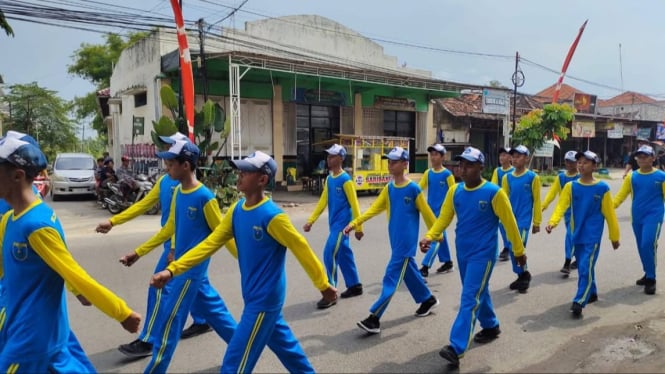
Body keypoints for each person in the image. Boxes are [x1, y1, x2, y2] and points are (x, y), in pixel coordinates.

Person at [151, 150, 337, 374]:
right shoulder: (237, 210)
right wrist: (172, 270)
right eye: (240, 170)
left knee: (233, 365)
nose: (239, 175)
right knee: (289, 351)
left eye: (247, 171)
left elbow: (302, 249)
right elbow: (209, 244)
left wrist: (323, 284)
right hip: (253, 297)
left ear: (262, 180)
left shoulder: (273, 216)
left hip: (263, 301)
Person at [0, 136, 141, 372]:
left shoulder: (36, 225)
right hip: (22, 327)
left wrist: (122, 313)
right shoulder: (9, 219)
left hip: (31, 338)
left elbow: (75, 274)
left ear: (17, 175)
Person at [118, 139, 239, 372]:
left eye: (171, 163)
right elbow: (169, 228)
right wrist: (139, 252)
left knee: (169, 326)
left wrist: (244, 260)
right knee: (217, 314)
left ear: (186, 165)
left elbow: (223, 233)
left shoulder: (205, 198)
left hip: (189, 272)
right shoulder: (178, 194)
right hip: (183, 268)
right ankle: (243, 352)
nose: (167, 168)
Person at [95, 132, 212, 358]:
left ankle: (149, 339)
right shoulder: (166, 181)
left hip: (181, 249)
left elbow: (210, 230)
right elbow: (142, 206)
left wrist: (173, 250)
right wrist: (113, 221)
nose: (166, 154)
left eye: (170, 148)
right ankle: (204, 321)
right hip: (177, 246)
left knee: (158, 289)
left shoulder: (192, 189)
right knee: (203, 294)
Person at [419, 146, 526, 369]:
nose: (463, 169)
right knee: (479, 291)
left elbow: (510, 225)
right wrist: (430, 236)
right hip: (463, 252)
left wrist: (519, 252)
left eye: (469, 165)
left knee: (469, 296)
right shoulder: (455, 191)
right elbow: (443, 219)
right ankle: (491, 325)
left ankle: (456, 347)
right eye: (461, 164)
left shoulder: (494, 193)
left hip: (483, 254)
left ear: (481, 167)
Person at [343, 146, 440, 334]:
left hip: (406, 243)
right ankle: (427, 300)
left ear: (405, 164)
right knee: (409, 271)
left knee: (391, 277)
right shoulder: (389, 188)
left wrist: (436, 235)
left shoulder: (412, 189)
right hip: (395, 240)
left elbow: (427, 213)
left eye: (394, 162)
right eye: (389, 161)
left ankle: (374, 318)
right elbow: (373, 209)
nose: (390, 165)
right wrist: (355, 223)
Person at [545, 150, 620, 317]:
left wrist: (614, 236)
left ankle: (579, 300)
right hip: (576, 234)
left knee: (585, 266)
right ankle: (591, 292)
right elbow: (561, 206)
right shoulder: (571, 187)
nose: (581, 165)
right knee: (586, 266)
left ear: (594, 166)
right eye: (579, 162)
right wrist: (552, 222)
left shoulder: (602, 188)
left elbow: (610, 214)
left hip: (592, 236)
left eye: (585, 162)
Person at [304, 144, 364, 309]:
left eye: (332, 156)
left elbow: (354, 204)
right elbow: (323, 201)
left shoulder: (346, 180)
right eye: (328, 156)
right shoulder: (330, 179)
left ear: (341, 158)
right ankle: (354, 285)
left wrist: (358, 227)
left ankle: (330, 293)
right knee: (344, 254)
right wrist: (311, 220)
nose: (329, 159)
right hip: (333, 225)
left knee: (329, 252)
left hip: (343, 226)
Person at [613, 144, 664, 295]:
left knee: (648, 243)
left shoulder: (661, 177)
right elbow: (621, 196)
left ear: (653, 158)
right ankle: (648, 271)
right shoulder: (632, 176)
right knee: (642, 246)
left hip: (654, 216)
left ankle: (651, 279)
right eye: (639, 157)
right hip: (637, 216)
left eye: (645, 156)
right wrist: (607, 208)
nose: (642, 159)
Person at [502, 145, 541, 293]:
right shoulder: (508, 177)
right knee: (512, 249)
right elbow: (503, 199)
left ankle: (524, 275)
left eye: (519, 156)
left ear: (526, 158)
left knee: (517, 248)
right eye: (514, 156)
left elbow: (537, 201)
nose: (515, 159)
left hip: (524, 221)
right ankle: (522, 274)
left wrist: (537, 222)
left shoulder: (533, 178)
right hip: (510, 220)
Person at [417, 144, 456, 278]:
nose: (433, 157)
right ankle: (448, 262)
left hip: (442, 214)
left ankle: (425, 266)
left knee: (434, 239)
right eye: (431, 154)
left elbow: (454, 192)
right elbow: (418, 189)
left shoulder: (447, 174)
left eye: (436, 154)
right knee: (440, 238)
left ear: (442, 157)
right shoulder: (428, 173)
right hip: (430, 213)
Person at [541, 150, 580, 274]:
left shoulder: (580, 177)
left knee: (570, 236)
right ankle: (579, 258)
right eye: (567, 161)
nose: (569, 164)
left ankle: (567, 262)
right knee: (575, 236)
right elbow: (552, 193)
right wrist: (543, 206)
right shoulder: (561, 177)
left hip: (580, 213)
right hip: (566, 212)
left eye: (572, 162)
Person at [491, 146, 514, 261]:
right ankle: (507, 247)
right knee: (500, 225)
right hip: (498, 202)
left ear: (510, 158)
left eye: (504, 155)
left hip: (511, 204)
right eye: (500, 155)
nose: (501, 157)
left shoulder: (513, 172)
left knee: (508, 225)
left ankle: (509, 247)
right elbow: (494, 185)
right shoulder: (497, 171)